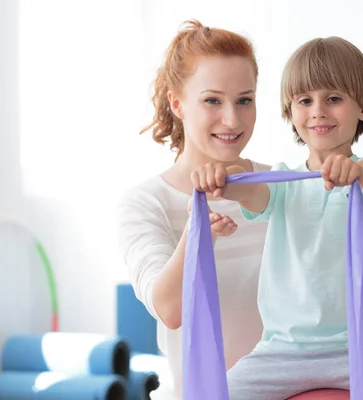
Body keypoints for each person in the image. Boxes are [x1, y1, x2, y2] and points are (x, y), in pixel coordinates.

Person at [191, 36, 363, 399]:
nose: (318, 111)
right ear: (291, 112)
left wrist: (356, 172)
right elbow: (247, 187)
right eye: (305, 100)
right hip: (281, 353)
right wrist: (221, 177)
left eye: (333, 98)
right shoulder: (284, 181)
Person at [117, 20, 270, 399]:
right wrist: (199, 232)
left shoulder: (279, 186)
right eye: (212, 100)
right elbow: (169, 308)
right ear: (177, 103)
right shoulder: (146, 202)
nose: (232, 120)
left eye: (244, 100)